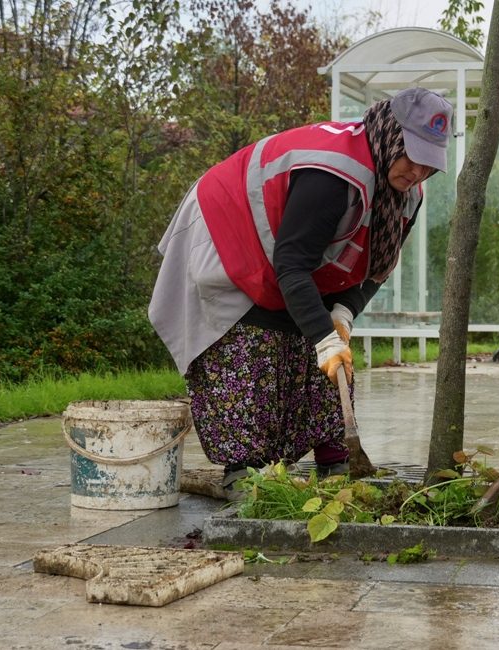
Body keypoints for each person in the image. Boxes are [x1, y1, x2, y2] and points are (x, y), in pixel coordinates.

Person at [149, 87, 454, 497]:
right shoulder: (331, 174)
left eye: (428, 166)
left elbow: (378, 267)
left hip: (289, 256)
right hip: (229, 236)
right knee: (257, 343)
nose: (417, 173)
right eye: (412, 157)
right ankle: (245, 472)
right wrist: (322, 336)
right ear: (391, 137)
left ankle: (336, 458)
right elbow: (290, 263)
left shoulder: (405, 195)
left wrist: (343, 315)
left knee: (330, 349)